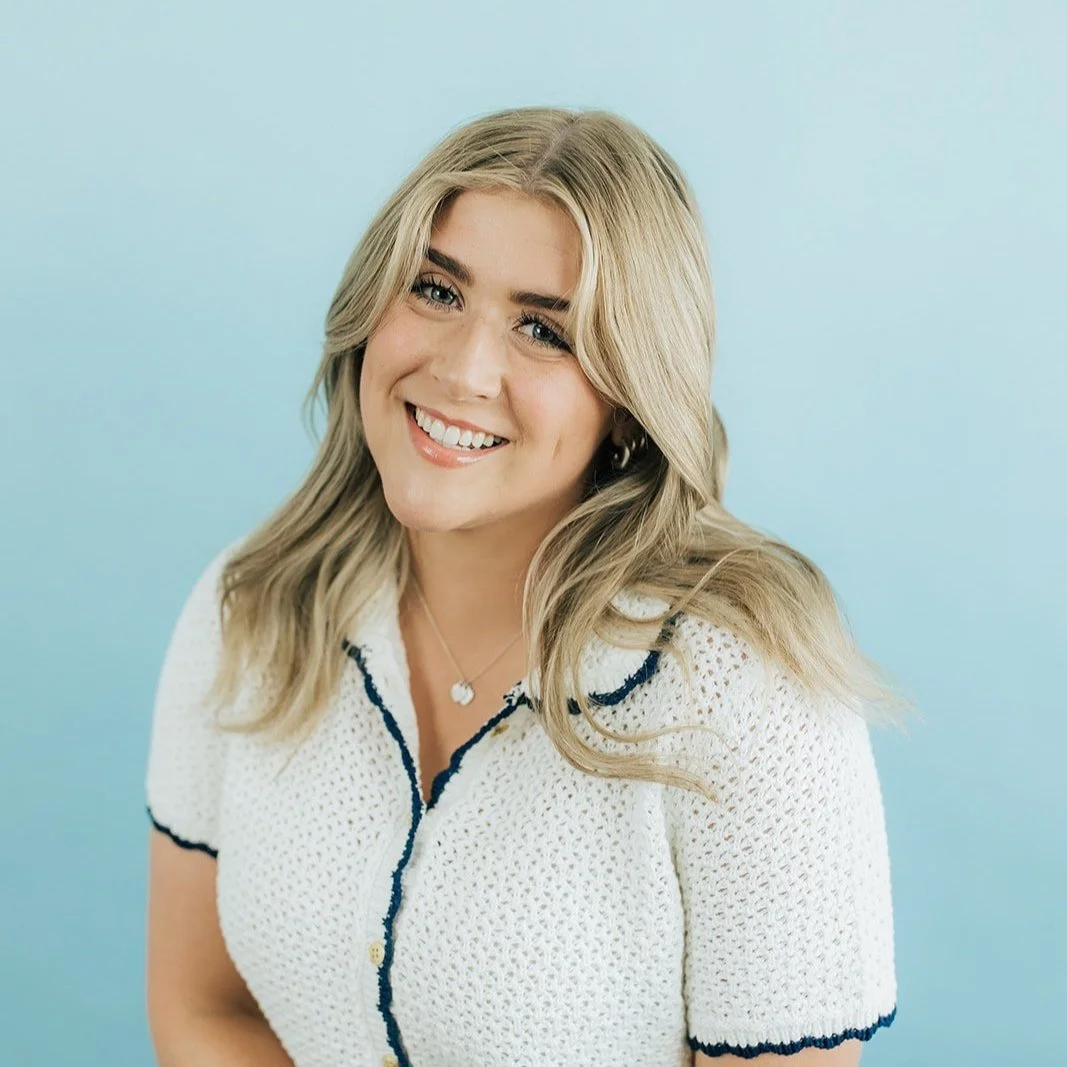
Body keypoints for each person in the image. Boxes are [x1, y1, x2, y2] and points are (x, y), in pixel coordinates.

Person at [144, 105, 913, 1067]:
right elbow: (208, 1010)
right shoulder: (246, 609)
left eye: (543, 331)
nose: (464, 369)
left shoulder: (748, 686)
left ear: (629, 405)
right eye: (434, 289)